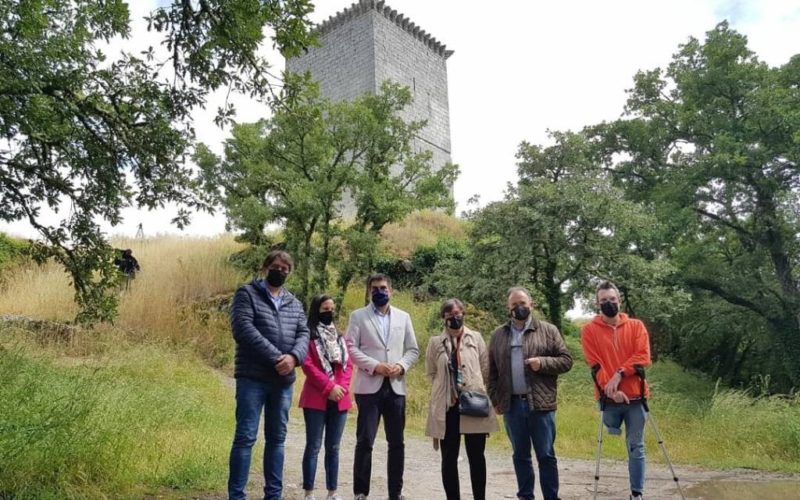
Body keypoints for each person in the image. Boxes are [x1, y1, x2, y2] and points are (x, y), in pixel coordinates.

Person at [227, 250, 310, 500]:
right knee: (245, 437)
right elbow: (243, 329)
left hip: (282, 383)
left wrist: (294, 358)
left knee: (277, 440)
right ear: (265, 267)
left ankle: (273, 495)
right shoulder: (246, 294)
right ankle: (237, 496)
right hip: (252, 378)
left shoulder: (294, 303)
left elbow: (304, 334)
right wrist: (278, 358)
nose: (280, 271)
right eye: (276, 266)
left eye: (285, 269)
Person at [487, 287, 573, 500]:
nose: (519, 308)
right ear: (508, 308)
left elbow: (566, 361)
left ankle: (551, 497)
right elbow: (491, 371)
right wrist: (495, 399)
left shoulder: (548, 330)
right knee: (521, 456)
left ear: (531, 304)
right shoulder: (499, 334)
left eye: (523, 303)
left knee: (546, 455)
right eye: (514, 305)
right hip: (512, 405)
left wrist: (542, 362)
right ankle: (526, 496)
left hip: (541, 405)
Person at [346, 273, 419, 500]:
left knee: (396, 442)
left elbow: (412, 350)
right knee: (365, 440)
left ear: (391, 290)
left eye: (384, 288)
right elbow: (351, 348)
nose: (380, 291)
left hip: (396, 387)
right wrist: (375, 366)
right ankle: (360, 492)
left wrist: (401, 365)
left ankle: (395, 492)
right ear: (369, 291)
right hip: (369, 387)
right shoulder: (358, 316)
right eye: (375, 288)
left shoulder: (403, 317)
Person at [580, 281, 651, 500]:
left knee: (636, 446)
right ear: (597, 303)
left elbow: (643, 357)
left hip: (636, 396)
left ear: (619, 301)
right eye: (604, 301)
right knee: (611, 428)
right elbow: (595, 365)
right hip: (608, 399)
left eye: (612, 299)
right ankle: (614, 427)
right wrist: (611, 390)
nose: (609, 303)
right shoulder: (589, 331)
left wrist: (620, 373)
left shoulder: (636, 326)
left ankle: (636, 493)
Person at [425, 298, 498, 500]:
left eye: (458, 314)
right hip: (447, 407)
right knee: (448, 459)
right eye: (450, 315)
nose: (455, 318)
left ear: (463, 314)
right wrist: (447, 388)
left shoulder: (476, 337)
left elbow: (485, 369)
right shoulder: (435, 342)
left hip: (473, 402)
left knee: (476, 457)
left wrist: (474, 387)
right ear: (444, 318)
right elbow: (431, 373)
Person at [299, 294, 353, 500]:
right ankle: (309, 492)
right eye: (325, 309)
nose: (329, 312)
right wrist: (329, 386)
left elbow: (348, 365)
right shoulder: (308, 335)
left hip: (340, 398)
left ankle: (332, 492)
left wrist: (341, 388)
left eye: (332, 308)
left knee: (334, 447)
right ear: (316, 311)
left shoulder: (339, 336)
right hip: (316, 397)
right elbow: (307, 365)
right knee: (313, 445)